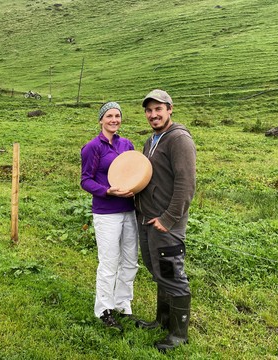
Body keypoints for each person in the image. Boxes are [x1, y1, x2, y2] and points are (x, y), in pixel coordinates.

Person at [134, 89, 196, 352]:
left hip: (166, 223)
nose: (153, 115)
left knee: (172, 273)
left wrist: (169, 218)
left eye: (158, 109)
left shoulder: (179, 140)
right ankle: (162, 321)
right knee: (157, 269)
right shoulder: (152, 140)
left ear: (170, 109)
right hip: (148, 219)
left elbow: (186, 183)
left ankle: (179, 335)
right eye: (149, 110)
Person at [80, 102, 139, 332]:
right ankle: (103, 309)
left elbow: (135, 171)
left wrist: (137, 186)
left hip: (129, 209)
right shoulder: (93, 147)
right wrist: (106, 190)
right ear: (101, 120)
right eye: (109, 116)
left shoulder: (127, 144)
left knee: (130, 261)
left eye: (117, 115)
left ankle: (123, 304)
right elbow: (86, 180)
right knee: (109, 262)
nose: (114, 119)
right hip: (106, 213)